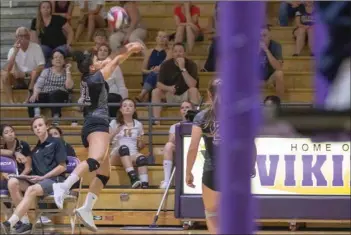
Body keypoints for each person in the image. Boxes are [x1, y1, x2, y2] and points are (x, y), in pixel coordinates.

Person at [52, 42, 143, 232]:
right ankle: (64, 186)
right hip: (97, 123)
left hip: (90, 123)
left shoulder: (89, 76)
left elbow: (112, 58)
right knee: (94, 161)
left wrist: (126, 47)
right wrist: (132, 49)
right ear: (93, 67)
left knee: (104, 173)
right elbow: (116, 59)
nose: (102, 61)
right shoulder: (96, 78)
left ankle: (86, 209)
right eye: (97, 60)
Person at [185, 79, 256, 234]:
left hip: (212, 172)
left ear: (209, 94)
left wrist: (188, 172)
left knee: (212, 215)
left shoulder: (202, 116)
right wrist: (251, 165)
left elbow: (193, 147)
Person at [1, 116, 67, 234]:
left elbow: (63, 167)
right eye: (35, 127)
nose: (38, 128)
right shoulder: (35, 150)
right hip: (38, 181)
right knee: (12, 182)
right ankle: (26, 221)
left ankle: (10, 223)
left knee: (31, 189)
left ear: (47, 126)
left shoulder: (57, 142)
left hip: (55, 180)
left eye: (40, 125)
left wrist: (43, 177)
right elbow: (29, 167)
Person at [151, 43, 200, 125]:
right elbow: (158, 84)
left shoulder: (192, 64)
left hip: (186, 95)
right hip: (170, 94)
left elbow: (192, 85)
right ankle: (157, 122)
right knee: (155, 92)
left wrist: (183, 68)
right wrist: (168, 88)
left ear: (184, 53)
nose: (178, 54)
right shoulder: (165, 65)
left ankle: (193, 121)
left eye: (180, 51)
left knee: (194, 90)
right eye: (175, 51)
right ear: (172, 54)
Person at [109, 98, 148, 189]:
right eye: (125, 106)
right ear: (121, 109)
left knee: (142, 158)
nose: (127, 108)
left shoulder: (138, 124)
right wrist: (115, 132)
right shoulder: (114, 123)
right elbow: (107, 141)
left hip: (132, 154)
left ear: (134, 110)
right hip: (116, 155)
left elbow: (140, 146)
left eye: (130, 106)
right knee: (124, 148)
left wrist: (141, 142)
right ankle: (133, 177)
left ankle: (144, 185)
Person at [0, 27, 45, 103]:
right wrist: (15, 53)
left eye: (25, 35)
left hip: (32, 78)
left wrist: (25, 74)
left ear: (29, 36)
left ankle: (28, 99)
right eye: (20, 36)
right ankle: (11, 102)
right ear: (16, 37)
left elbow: (41, 66)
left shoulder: (36, 47)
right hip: (17, 79)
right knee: (4, 74)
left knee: (35, 73)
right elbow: (8, 68)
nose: (23, 38)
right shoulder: (12, 50)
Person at [28, 49, 74, 122]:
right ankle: (35, 118)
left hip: (60, 96)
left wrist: (68, 70)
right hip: (46, 95)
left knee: (54, 94)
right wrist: (35, 93)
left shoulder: (66, 72)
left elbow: (69, 87)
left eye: (60, 57)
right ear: (52, 61)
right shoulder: (46, 71)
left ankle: (56, 118)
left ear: (64, 61)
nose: (58, 59)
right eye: (55, 57)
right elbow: (38, 84)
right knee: (32, 98)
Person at [160, 101, 193, 189]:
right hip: (180, 150)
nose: (185, 109)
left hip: (193, 149)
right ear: (180, 111)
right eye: (182, 108)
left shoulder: (197, 124)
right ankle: (167, 180)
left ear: (192, 110)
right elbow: (171, 142)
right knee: (168, 146)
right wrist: (178, 130)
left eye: (187, 107)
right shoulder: (174, 126)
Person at [30, 1, 74, 67]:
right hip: (46, 47)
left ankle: (48, 71)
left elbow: (70, 31)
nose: (46, 9)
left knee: (57, 54)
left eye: (48, 7)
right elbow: (33, 38)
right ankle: (46, 72)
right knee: (40, 51)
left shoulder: (58, 19)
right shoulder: (35, 21)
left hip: (60, 46)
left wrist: (68, 44)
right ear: (40, 9)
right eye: (43, 7)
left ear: (51, 9)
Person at [135, 30, 170, 102]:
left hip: (164, 74)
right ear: (156, 38)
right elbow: (143, 69)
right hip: (150, 74)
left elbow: (165, 63)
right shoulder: (150, 51)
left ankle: (142, 95)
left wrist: (157, 69)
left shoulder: (169, 51)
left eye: (164, 37)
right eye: (160, 36)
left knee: (156, 74)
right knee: (153, 74)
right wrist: (151, 71)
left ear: (167, 40)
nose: (161, 39)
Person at [259, 25, 285, 98]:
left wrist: (266, 51)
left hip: (270, 78)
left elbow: (278, 67)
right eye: (259, 36)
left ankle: (280, 102)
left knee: (279, 73)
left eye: (264, 35)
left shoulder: (276, 46)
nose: (262, 38)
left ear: (269, 36)